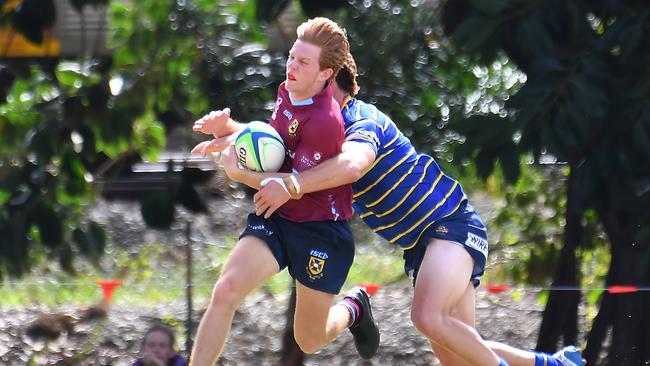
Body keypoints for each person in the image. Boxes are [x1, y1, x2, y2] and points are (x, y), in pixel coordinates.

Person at [195, 53, 584, 366]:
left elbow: (352, 162)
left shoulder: (362, 122)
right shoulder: (316, 125)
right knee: (455, 354)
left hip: (449, 224)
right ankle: (553, 362)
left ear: (329, 83)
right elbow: (277, 141)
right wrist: (231, 132)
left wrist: (282, 182)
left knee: (427, 317)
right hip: (421, 244)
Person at [188, 18, 379, 366]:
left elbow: (289, 184)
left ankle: (353, 307)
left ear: (325, 74)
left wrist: (237, 172)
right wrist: (229, 130)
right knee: (226, 291)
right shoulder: (288, 90)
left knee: (309, 339)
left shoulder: (325, 121)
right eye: (292, 57)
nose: (291, 66)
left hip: (319, 230)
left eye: (302, 62)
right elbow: (277, 146)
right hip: (279, 218)